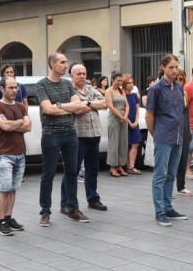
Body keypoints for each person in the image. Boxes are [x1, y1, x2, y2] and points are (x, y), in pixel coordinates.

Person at [37, 52, 92, 226]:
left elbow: (80, 106)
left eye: (66, 62)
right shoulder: (42, 85)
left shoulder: (68, 84)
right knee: (49, 173)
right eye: (62, 62)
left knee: (72, 172)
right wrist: (66, 108)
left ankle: (72, 208)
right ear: (52, 64)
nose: (65, 65)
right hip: (51, 134)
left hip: (70, 133)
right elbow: (48, 110)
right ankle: (45, 212)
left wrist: (59, 106)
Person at [145, 54, 189, 227]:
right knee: (160, 175)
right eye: (171, 67)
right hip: (163, 136)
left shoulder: (178, 87)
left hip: (178, 136)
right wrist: (156, 134)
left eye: (176, 67)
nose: (175, 70)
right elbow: (149, 115)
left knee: (171, 174)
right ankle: (160, 212)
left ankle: (168, 207)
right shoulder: (156, 89)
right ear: (163, 67)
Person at [0, 75, 31, 235]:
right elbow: (4, 126)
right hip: (4, 154)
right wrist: (20, 122)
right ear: (2, 89)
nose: (15, 90)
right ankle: (1, 222)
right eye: (11, 88)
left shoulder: (21, 106)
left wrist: (14, 124)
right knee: (3, 188)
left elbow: (28, 127)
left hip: (20, 153)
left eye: (16, 87)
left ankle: (8, 217)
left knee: (13, 188)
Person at [71, 64, 109, 211]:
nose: (82, 76)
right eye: (78, 74)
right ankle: (68, 202)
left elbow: (105, 103)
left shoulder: (90, 89)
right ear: (72, 76)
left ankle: (93, 199)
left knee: (93, 169)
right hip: (79, 135)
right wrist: (92, 105)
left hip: (94, 134)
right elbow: (77, 109)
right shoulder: (70, 90)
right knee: (72, 171)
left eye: (84, 73)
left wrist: (86, 103)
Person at [105, 74, 130, 176]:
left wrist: (125, 116)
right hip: (114, 119)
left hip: (123, 119)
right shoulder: (108, 91)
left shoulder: (121, 90)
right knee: (114, 143)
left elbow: (127, 105)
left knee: (123, 143)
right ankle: (112, 166)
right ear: (112, 80)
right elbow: (110, 106)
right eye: (117, 80)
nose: (119, 83)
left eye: (121, 81)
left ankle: (120, 165)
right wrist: (121, 116)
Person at [126, 76, 143, 175]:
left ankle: (132, 166)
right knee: (126, 144)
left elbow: (137, 109)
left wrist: (136, 121)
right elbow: (123, 110)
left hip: (134, 121)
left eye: (132, 82)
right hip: (125, 121)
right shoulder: (123, 96)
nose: (131, 84)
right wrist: (129, 122)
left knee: (135, 143)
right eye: (128, 83)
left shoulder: (134, 96)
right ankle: (128, 166)